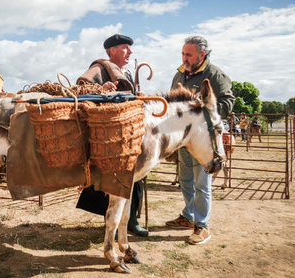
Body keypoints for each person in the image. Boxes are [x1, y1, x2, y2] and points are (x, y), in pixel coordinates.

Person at [75, 34, 148, 237]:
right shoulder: (99, 68)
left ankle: (132, 220)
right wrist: (100, 89)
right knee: (112, 180)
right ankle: (112, 224)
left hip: (131, 133)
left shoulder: (128, 74)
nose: (130, 52)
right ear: (113, 50)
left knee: (136, 178)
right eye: (126, 47)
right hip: (108, 135)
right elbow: (79, 89)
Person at [165, 35, 235, 245]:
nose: (185, 58)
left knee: (202, 182)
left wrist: (199, 111)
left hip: (203, 138)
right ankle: (189, 216)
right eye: (183, 54)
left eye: (189, 54)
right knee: (185, 179)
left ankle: (202, 226)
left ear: (202, 55)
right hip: (184, 139)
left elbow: (227, 102)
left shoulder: (215, 75)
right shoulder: (180, 74)